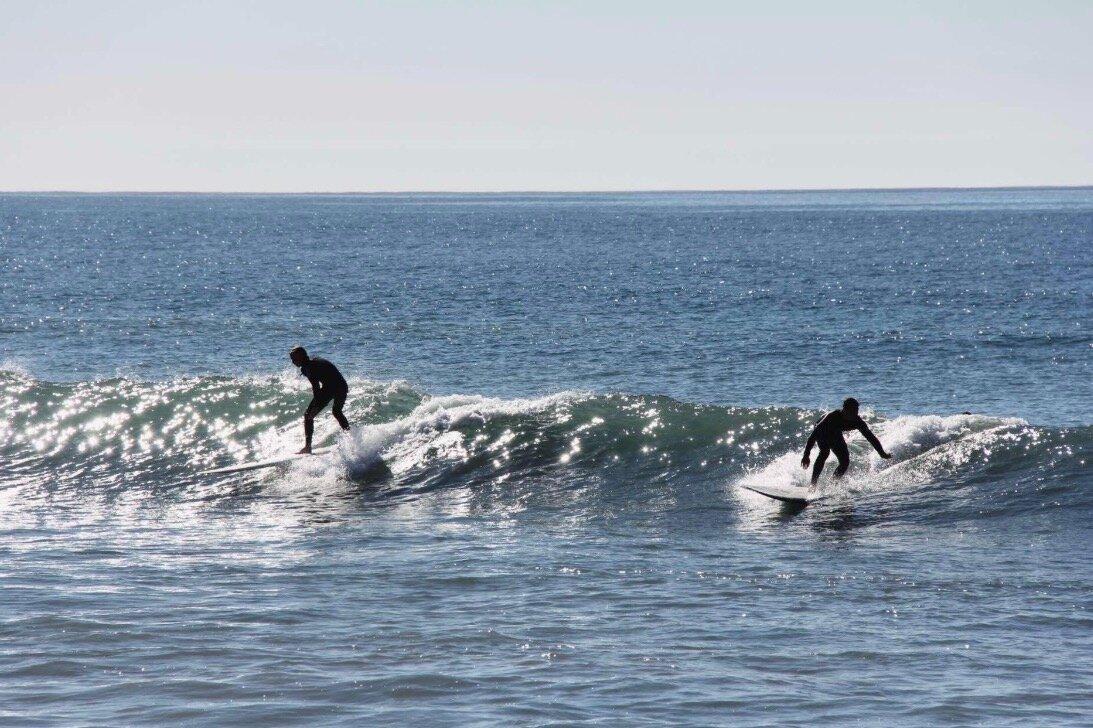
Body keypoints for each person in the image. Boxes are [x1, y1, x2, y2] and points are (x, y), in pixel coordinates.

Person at [801, 397, 891, 485]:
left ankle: (832, 484)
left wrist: (881, 453)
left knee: (845, 461)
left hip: (836, 432)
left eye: (856, 410)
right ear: (845, 409)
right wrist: (806, 455)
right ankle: (813, 484)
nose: (855, 413)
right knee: (824, 452)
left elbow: (871, 437)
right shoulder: (833, 416)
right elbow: (813, 435)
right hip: (822, 429)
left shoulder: (857, 421)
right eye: (852, 411)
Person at [289, 346, 350, 454]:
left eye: (294, 359)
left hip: (334, 387)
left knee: (308, 416)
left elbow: (315, 387)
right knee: (337, 412)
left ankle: (307, 447)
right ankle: (351, 438)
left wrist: (315, 407)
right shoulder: (311, 362)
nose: (293, 362)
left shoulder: (309, 367)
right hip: (342, 385)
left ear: (301, 357)